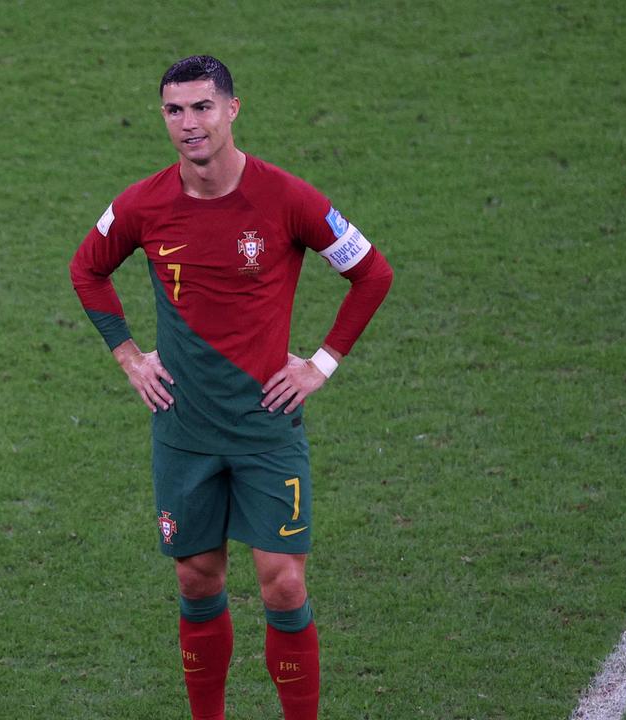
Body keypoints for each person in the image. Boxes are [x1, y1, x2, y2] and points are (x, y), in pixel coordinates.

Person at [68, 55, 393, 720]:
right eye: (174, 110)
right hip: (184, 428)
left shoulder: (287, 198)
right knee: (196, 578)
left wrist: (321, 364)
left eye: (201, 107)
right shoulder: (142, 204)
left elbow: (373, 274)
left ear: (232, 110)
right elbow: (87, 270)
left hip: (264, 426)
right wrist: (130, 357)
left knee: (282, 584)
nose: (188, 123)